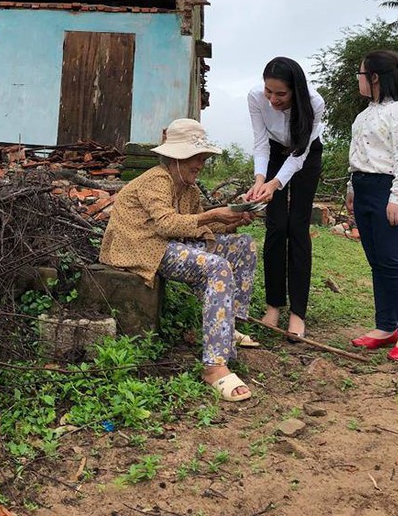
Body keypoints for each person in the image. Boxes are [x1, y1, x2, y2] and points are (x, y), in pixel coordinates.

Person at [100, 118, 258, 402]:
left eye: (202, 157)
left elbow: (197, 227)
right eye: (193, 157)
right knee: (217, 268)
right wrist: (213, 214)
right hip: (145, 247)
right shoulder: (156, 179)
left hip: (171, 243)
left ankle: (227, 327)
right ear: (174, 157)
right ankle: (214, 366)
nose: (200, 163)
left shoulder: (189, 188)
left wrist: (235, 221)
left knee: (244, 246)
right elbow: (166, 225)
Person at [347, 50, 398, 362]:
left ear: (375, 77)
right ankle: (385, 327)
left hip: (391, 189)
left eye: (361, 73)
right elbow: (358, 156)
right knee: (377, 262)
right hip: (365, 188)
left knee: (394, 263)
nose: (358, 79)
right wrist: (352, 188)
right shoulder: (364, 115)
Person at [244, 57, 325, 339]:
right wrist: (260, 181)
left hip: (305, 155)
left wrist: (276, 183)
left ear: (296, 90)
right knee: (276, 227)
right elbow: (260, 143)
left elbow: (300, 154)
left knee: (297, 228)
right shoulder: (256, 97)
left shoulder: (314, 104)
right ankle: (274, 306)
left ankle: (297, 313)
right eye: (269, 91)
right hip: (274, 154)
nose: (272, 99)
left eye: (281, 94)